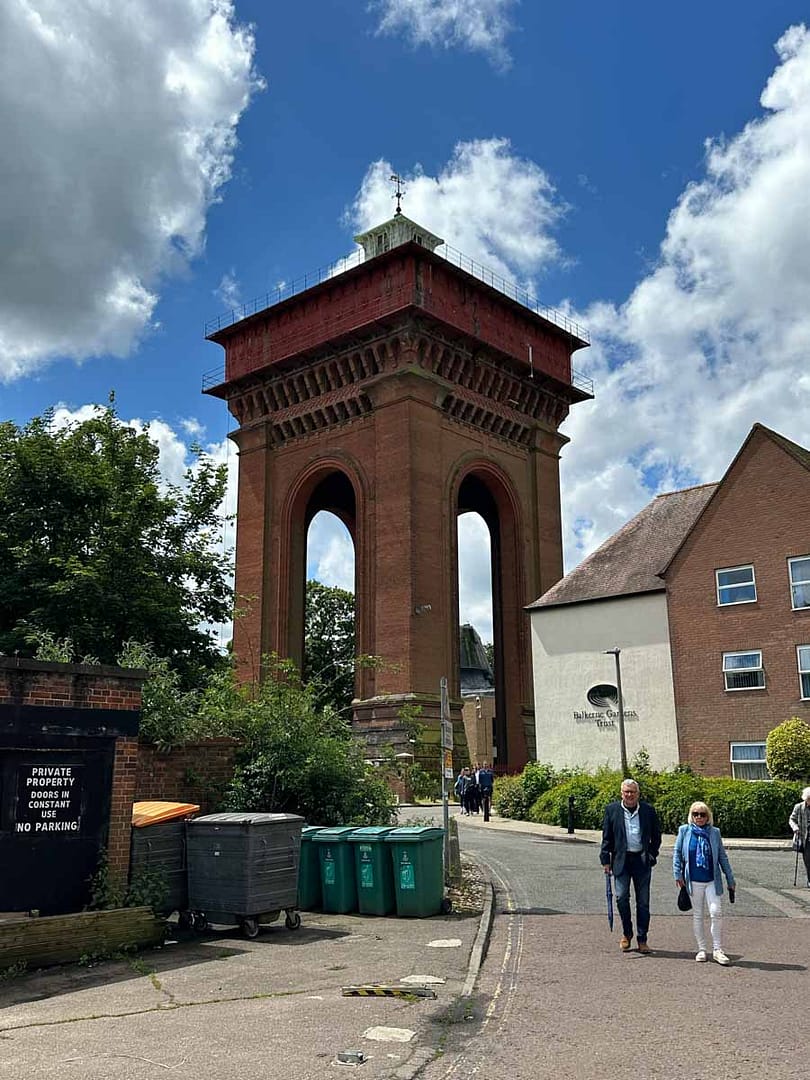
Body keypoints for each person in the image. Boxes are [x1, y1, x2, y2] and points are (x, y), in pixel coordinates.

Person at [600, 778, 662, 954]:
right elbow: (607, 837)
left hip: (642, 861)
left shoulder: (648, 811)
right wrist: (605, 860)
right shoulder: (611, 810)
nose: (629, 795)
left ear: (638, 794)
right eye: (626, 792)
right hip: (621, 860)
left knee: (643, 902)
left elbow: (656, 836)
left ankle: (642, 939)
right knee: (621, 897)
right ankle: (627, 933)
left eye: (632, 792)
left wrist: (651, 855)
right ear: (621, 793)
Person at [673, 801, 735, 965]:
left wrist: (730, 879)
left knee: (716, 912)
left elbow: (722, 857)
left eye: (702, 814)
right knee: (698, 915)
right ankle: (702, 949)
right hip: (693, 880)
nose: (699, 817)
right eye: (695, 814)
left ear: (708, 817)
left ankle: (717, 949)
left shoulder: (714, 833)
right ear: (691, 816)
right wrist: (677, 874)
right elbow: (677, 854)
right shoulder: (684, 831)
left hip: (711, 880)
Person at [789, 787, 810, 888]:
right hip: (805, 839)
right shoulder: (798, 807)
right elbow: (792, 819)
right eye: (809, 799)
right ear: (805, 798)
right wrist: (795, 828)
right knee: (808, 861)